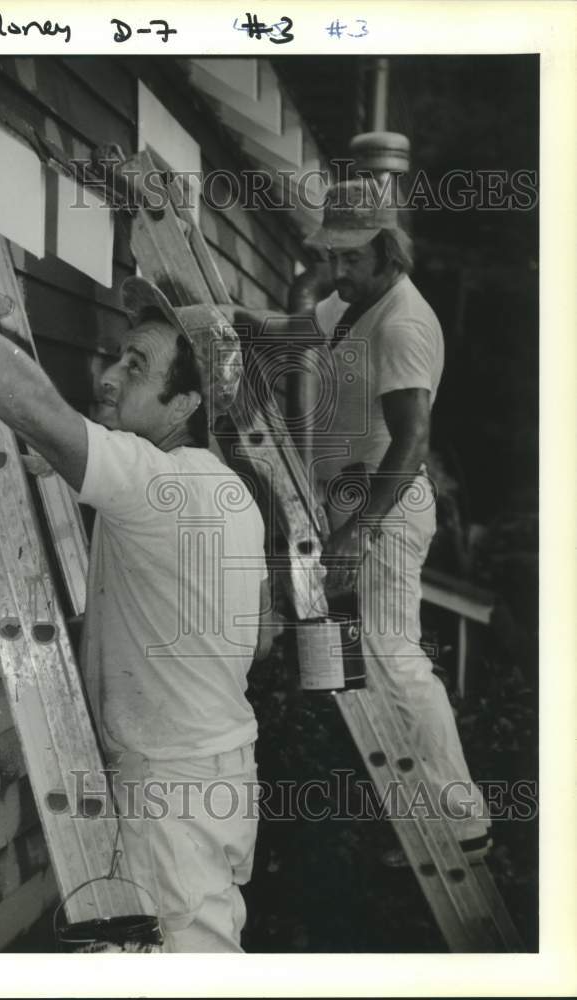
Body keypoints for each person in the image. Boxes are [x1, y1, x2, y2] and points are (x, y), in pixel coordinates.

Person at [0, 164, 270, 950]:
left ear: (186, 407)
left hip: (171, 792)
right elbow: (260, 628)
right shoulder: (219, 491)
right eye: (115, 355)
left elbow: (40, 411)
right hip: (208, 773)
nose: (109, 376)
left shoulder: (160, 489)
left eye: (136, 369)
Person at [303, 178, 492, 864]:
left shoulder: (403, 321)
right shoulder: (349, 305)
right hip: (350, 501)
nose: (340, 269)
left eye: (354, 257)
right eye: (334, 256)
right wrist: (219, 314)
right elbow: (294, 327)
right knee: (363, 658)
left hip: (384, 504)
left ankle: (461, 815)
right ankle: (417, 809)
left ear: (388, 252)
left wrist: (357, 533)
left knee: (390, 650)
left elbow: (411, 442)